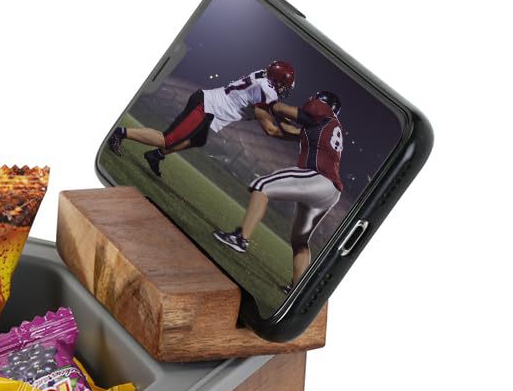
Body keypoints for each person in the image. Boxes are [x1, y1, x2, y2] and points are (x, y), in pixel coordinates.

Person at [213, 90, 345, 290]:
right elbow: (277, 130)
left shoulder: (323, 113)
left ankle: (240, 239)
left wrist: (268, 103)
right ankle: (297, 288)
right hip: (330, 192)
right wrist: (267, 111)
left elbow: (282, 108)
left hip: (318, 177)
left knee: (262, 186)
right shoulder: (324, 127)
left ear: (323, 103)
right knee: (300, 241)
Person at [109, 60, 298, 175]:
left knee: (197, 140)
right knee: (168, 139)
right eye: (284, 86)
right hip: (206, 108)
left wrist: (293, 125)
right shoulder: (266, 90)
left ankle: (155, 155)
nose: (284, 90)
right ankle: (119, 133)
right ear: (276, 81)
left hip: (210, 109)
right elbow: (270, 130)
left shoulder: (262, 77)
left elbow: (272, 112)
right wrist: (299, 137)